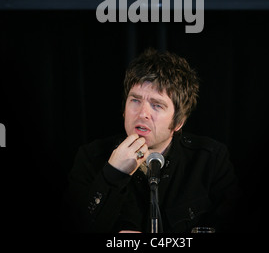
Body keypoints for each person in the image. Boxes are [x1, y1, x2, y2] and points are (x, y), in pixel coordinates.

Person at [63, 48, 241, 233]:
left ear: (178, 122)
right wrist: (112, 175)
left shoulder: (210, 159)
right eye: (135, 100)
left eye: (157, 105)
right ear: (124, 108)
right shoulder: (90, 158)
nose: (142, 114)